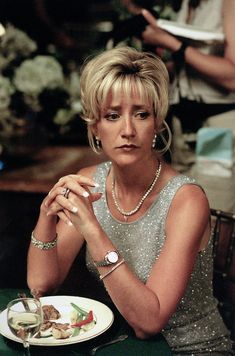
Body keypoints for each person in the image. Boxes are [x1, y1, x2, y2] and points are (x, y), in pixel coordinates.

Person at [27, 46, 233, 354]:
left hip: (193, 348)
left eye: (141, 114)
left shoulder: (187, 200)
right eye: (112, 116)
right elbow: (42, 285)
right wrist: (46, 215)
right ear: (95, 127)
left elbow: (149, 322)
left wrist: (93, 230)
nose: (127, 130)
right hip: (123, 347)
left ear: (157, 123)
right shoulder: (89, 180)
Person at [141, 0, 235, 169]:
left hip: (215, 126)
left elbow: (233, 77)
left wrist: (171, 43)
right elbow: (191, 67)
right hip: (183, 123)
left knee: (211, 193)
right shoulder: (188, 4)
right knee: (183, 192)